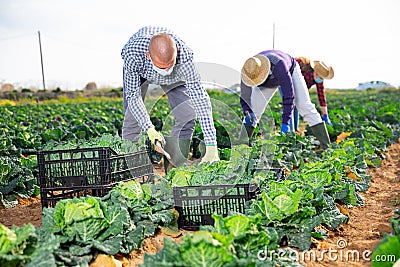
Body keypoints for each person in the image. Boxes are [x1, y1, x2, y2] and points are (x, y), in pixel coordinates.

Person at [120, 26, 219, 171]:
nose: (166, 72)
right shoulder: (133, 55)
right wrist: (150, 130)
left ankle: (173, 169)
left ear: (176, 52)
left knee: (187, 115)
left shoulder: (185, 60)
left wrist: (211, 145)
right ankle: (134, 173)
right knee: (132, 121)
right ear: (148, 55)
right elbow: (133, 98)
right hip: (142, 72)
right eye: (162, 67)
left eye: (169, 66)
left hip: (176, 75)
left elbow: (201, 100)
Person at [239, 49, 331, 149]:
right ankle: (241, 148)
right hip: (267, 80)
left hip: (290, 70)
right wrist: (246, 110)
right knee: (254, 111)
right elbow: (244, 96)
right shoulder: (249, 70)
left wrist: (285, 122)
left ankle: (326, 147)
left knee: (304, 105)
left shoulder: (280, 66)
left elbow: (288, 95)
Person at [285, 57, 334, 131]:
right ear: (315, 71)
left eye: (322, 78)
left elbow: (321, 97)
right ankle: (290, 131)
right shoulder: (303, 68)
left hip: (296, 85)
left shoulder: (319, 80)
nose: (320, 79)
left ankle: (295, 129)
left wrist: (325, 115)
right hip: (286, 78)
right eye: (319, 76)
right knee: (290, 103)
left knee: (297, 104)